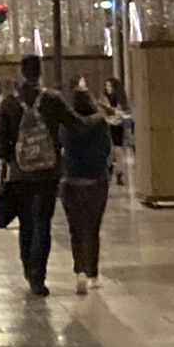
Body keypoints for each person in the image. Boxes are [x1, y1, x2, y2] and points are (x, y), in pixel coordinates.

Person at [0, 55, 70, 297]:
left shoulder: (9, 103)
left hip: (20, 174)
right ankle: (40, 275)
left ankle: (29, 270)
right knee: (43, 223)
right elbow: (73, 124)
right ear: (40, 72)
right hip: (48, 172)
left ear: (21, 72)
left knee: (26, 224)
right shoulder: (52, 100)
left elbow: (0, 143)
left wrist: (10, 159)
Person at [60, 84, 113, 294]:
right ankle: (93, 274)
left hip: (71, 181)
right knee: (92, 229)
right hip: (96, 181)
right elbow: (107, 150)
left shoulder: (66, 126)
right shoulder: (100, 124)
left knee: (75, 230)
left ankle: (79, 270)